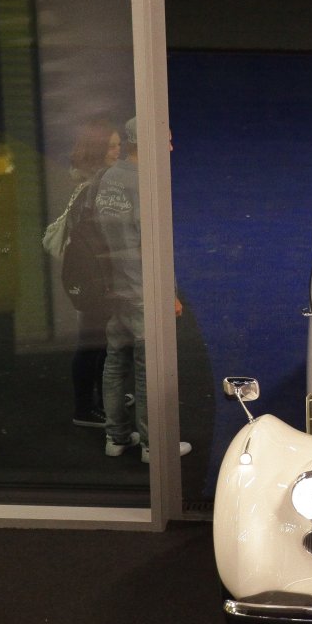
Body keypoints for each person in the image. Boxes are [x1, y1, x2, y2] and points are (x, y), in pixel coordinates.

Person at [95, 116, 190, 462]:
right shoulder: (146, 184)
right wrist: (170, 294)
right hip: (143, 290)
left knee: (115, 362)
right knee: (148, 368)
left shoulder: (109, 178)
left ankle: (117, 437)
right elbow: (154, 247)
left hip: (116, 287)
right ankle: (154, 445)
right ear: (146, 143)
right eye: (166, 140)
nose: (171, 147)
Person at [47, 117, 118, 428]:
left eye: (118, 145)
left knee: (98, 342)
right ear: (98, 150)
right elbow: (97, 236)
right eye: (111, 146)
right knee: (92, 344)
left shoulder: (88, 183)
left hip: (91, 276)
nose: (117, 151)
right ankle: (85, 409)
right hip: (94, 278)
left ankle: (98, 401)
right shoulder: (94, 187)